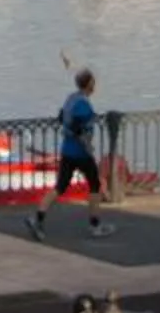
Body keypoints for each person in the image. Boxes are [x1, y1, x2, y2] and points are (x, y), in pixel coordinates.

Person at [26, 67, 116, 241]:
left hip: (67, 150)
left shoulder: (71, 98)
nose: (95, 85)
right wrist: (87, 146)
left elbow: (62, 118)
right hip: (80, 153)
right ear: (89, 84)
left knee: (60, 187)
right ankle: (95, 225)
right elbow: (77, 127)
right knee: (95, 185)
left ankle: (37, 217)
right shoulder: (83, 103)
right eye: (93, 82)